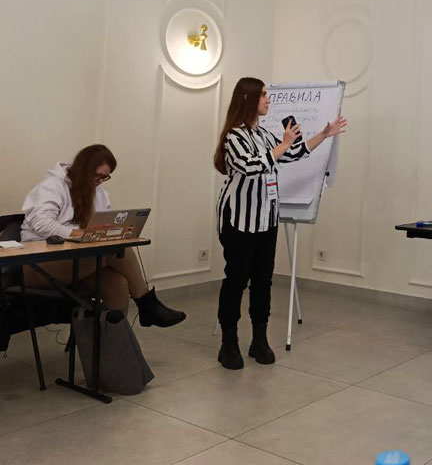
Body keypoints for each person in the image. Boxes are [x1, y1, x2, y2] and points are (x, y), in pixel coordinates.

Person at [213, 77, 347, 370]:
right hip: (239, 220)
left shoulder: (263, 134)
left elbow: (293, 152)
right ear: (248, 99)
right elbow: (252, 166)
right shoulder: (234, 137)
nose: (268, 99)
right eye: (263, 95)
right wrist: (284, 144)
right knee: (236, 280)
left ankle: (259, 339)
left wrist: (324, 134)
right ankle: (228, 342)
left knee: (263, 280)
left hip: (266, 218)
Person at [20, 145, 186, 327]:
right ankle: (147, 304)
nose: (99, 181)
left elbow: (100, 224)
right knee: (114, 250)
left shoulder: (99, 193)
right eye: (97, 176)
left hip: (76, 261)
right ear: (83, 169)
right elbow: (42, 223)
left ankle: (113, 343)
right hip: (37, 264)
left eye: (104, 177)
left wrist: (110, 231)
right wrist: (80, 234)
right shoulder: (52, 186)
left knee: (118, 284)